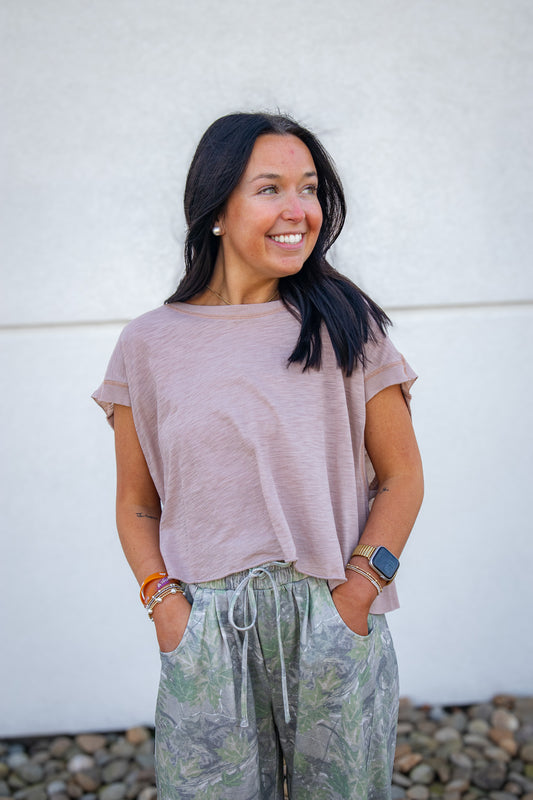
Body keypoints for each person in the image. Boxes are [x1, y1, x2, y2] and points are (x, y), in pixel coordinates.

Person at [92, 111, 424, 800]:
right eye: (269, 188)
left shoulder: (345, 325)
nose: (297, 209)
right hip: (206, 625)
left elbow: (401, 479)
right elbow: (135, 503)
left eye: (308, 188)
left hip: (331, 612)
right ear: (215, 209)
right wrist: (166, 608)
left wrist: (358, 593)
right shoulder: (148, 345)